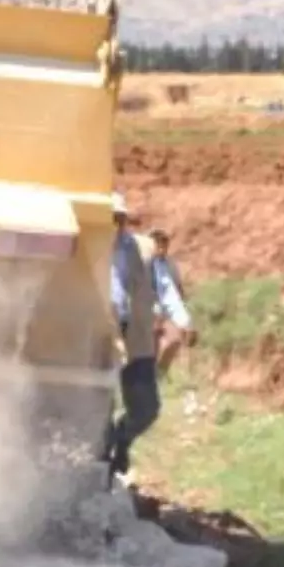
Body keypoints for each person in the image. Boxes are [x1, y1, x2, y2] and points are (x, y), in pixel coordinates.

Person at [106, 194, 192, 484]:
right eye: (109, 218)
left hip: (136, 341)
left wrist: (182, 320)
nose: (114, 225)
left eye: (119, 218)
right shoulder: (84, 247)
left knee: (146, 409)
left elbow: (164, 286)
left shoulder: (142, 249)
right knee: (94, 406)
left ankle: (122, 437)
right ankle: (104, 463)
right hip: (96, 341)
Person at [148, 228, 195, 378]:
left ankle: (161, 371)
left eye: (164, 245)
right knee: (152, 338)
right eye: (159, 245)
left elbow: (176, 287)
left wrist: (182, 303)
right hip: (149, 303)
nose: (162, 249)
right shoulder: (144, 261)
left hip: (169, 303)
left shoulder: (170, 263)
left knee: (180, 335)